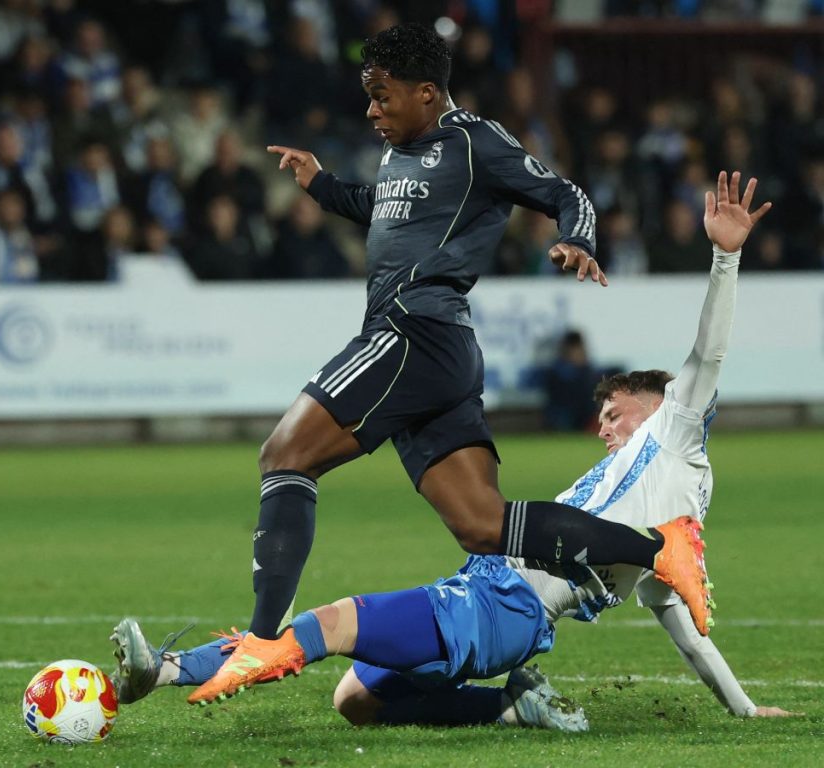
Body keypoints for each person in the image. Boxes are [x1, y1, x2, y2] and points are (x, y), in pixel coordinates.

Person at [151, 23, 710, 707]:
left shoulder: (478, 142)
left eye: (382, 97)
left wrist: (575, 239)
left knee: (284, 455)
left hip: (415, 330)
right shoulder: (398, 153)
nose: (371, 111)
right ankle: (659, 548)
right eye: (368, 97)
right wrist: (321, 185)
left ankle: (265, 638)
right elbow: (379, 210)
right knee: (481, 525)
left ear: (426, 93)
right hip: (434, 354)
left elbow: (568, 194)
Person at [112, 172, 796, 726]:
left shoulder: (675, 432)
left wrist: (726, 255)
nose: (604, 427)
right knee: (355, 700)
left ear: (660, 405)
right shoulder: (660, 506)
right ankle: (512, 705)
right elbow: (688, 629)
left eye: (616, 413)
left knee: (330, 623)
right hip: (482, 588)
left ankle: (165, 670)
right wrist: (743, 707)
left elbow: (708, 351)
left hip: (505, 609)